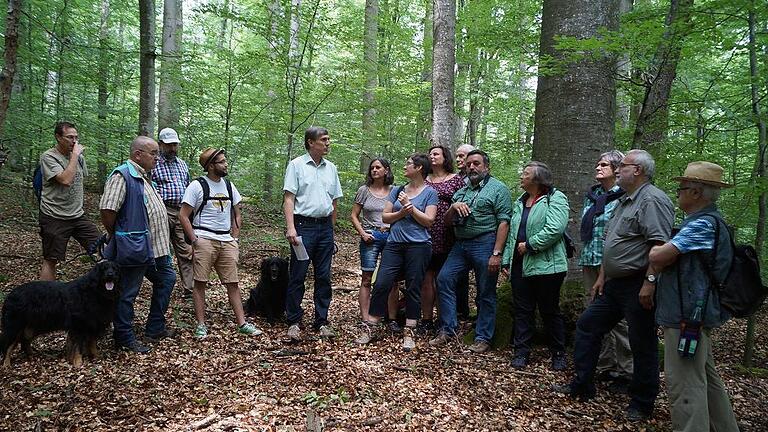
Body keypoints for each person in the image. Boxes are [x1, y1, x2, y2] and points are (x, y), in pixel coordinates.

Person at [553, 149, 674, 421]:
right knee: (587, 324)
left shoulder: (652, 200)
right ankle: (582, 385)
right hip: (614, 284)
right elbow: (611, 243)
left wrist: (650, 282)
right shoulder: (623, 201)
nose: (619, 170)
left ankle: (642, 402)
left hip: (638, 283)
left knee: (642, 342)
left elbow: (659, 246)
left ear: (639, 170)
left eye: (624, 166)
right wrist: (602, 277)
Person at [649, 161, 739, 432]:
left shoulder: (702, 225)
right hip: (693, 314)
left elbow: (657, 256)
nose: (678, 193)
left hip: (688, 317)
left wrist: (657, 252)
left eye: (682, 188)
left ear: (697, 193)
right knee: (707, 380)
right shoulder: (706, 223)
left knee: (685, 383)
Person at [100, 136, 177, 354]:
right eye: (153, 153)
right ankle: (123, 337)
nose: (157, 158)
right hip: (135, 247)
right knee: (127, 292)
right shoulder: (122, 175)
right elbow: (108, 210)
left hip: (156, 249)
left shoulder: (143, 176)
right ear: (137, 155)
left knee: (167, 278)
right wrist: (118, 235)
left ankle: (154, 328)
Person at [430, 150, 512, 353]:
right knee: (444, 279)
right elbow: (447, 222)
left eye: (476, 163)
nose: (472, 167)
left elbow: (504, 222)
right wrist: (453, 207)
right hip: (460, 244)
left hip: (486, 243)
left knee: (485, 291)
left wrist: (497, 253)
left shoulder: (498, 188)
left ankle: (483, 337)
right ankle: (448, 329)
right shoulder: (462, 190)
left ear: (487, 166)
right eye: (468, 164)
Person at [355, 154, 437, 350]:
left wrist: (409, 207)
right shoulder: (398, 190)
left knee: (413, 287)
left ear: (419, 168)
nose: (405, 166)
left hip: (418, 246)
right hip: (394, 244)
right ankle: (371, 326)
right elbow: (385, 217)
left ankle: (410, 331)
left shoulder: (430, 193)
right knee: (382, 282)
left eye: (408, 163)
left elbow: (429, 221)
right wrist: (401, 212)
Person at [179, 148, 262, 338]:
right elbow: (183, 215)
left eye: (225, 161)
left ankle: (242, 323)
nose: (225, 165)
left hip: (227, 240)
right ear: (210, 166)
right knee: (200, 283)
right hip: (204, 239)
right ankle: (201, 324)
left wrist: (235, 237)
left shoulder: (230, 186)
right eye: (222, 162)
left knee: (233, 283)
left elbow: (237, 213)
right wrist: (194, 240)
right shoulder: (196, 186)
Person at [502, 161, 569, 370]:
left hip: (548, 266)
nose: (521, 176)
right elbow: (513, 234)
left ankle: (558, 353)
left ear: (538, 179)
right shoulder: (520, 201)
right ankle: (521, 352)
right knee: (523, 310)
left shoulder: (555, 198)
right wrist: (506, 259)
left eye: (526, 173)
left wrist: (530, 245)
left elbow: (555, 228)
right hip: (520, 265)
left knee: (549, 310)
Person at [283, 126, 343, 341]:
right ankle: (294, 321)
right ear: (310, 142)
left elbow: (334, 201)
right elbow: (289, 198)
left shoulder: (331, 168)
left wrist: (331, 229)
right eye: (324, 139)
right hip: (303, 226)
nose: (328, 143)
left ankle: (322, 320)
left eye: (329, 139)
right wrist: (291, 228)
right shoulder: (297, 165)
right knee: (298, 274)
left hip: (325, 228)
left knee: (324, 275)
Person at [578, 150, 632, 385]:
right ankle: (604, 363)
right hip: (590, 260)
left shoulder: (624, 197)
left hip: (611, 264)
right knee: (593, 314)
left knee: (618, 320)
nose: (598, 168)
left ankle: (627, 370)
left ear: (617, 169)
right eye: (597, 164)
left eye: (604, 165)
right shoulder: (593, 195)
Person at [38, 121, 101, 280]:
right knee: (51, 259)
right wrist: (74, 156)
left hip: (77, 216)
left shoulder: (79, 158)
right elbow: (65, 180)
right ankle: (47, 300)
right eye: (70, 137)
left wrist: (75, 157)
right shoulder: (49, 157)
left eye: (76, 137)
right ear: (58, 137)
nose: (74, 141)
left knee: (102, 248)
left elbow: (79, 182)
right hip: (54, 216)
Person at [350, 158, 399, 326]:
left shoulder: (395, 190)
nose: (374, 170)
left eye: (378, 167)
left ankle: (391, 318)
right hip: (370, 237)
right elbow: (354, 215)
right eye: (372, 168)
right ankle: (366, 318)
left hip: (391, 237)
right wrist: (363, 233)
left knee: (392, 279)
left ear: (386, 170)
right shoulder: (364, 190)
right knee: (366, 278)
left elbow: (400, 212)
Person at [422, 145, 465, 333]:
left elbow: (464, 202)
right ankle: (426, 319)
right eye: (430, 154)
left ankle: (443, 320)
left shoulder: (456, 180)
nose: (432, 157)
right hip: (424, 231)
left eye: (436, 154)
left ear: (444, 157)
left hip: (447, 232)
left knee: (443, 277)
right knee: (426, 276)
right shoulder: (424, 180)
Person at [151, 127, 193, 299]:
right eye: (169, 145)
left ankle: (189, 289)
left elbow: (188, 186)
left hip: (182, 212)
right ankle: (160, 282)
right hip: (162, 210)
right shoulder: (153, 164)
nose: (173, 148)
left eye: (175, 145)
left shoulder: (182, 164)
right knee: (160, 248)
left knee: (185, 250)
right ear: (160, 144)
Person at [453, 144, 475, 319]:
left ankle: (467, 312)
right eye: (457, 156)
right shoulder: (455, 178)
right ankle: (459, 311)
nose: (459, 160)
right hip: (454, 232)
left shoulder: (477, 179)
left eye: (462, 156)